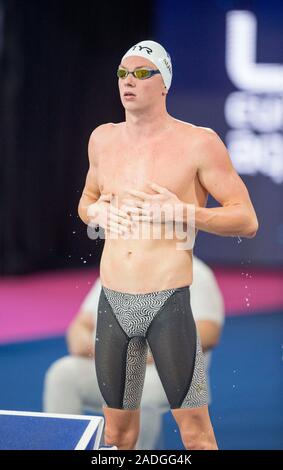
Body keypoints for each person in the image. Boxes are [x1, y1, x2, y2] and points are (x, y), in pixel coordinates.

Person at [77, 40, 258, 450]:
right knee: (117, 435)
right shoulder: (102, 140)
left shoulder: (199, 142)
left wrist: (184, 212)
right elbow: (87, 201)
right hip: (113, 304)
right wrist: (95, 215)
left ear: (165, 85)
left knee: (196, 434)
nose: (129, 81)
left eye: (143, 73)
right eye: (124, 73)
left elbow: (247, 219)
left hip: (168, 306)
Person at [43, 257, 224, 450]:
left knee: (139, 392)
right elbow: (81, 325)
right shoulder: (117, 266)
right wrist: (109, 353)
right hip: (111, 364)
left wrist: (149, 354)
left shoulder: (195, 271)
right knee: (63, 373)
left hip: (161, 372)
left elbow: (209, 333)